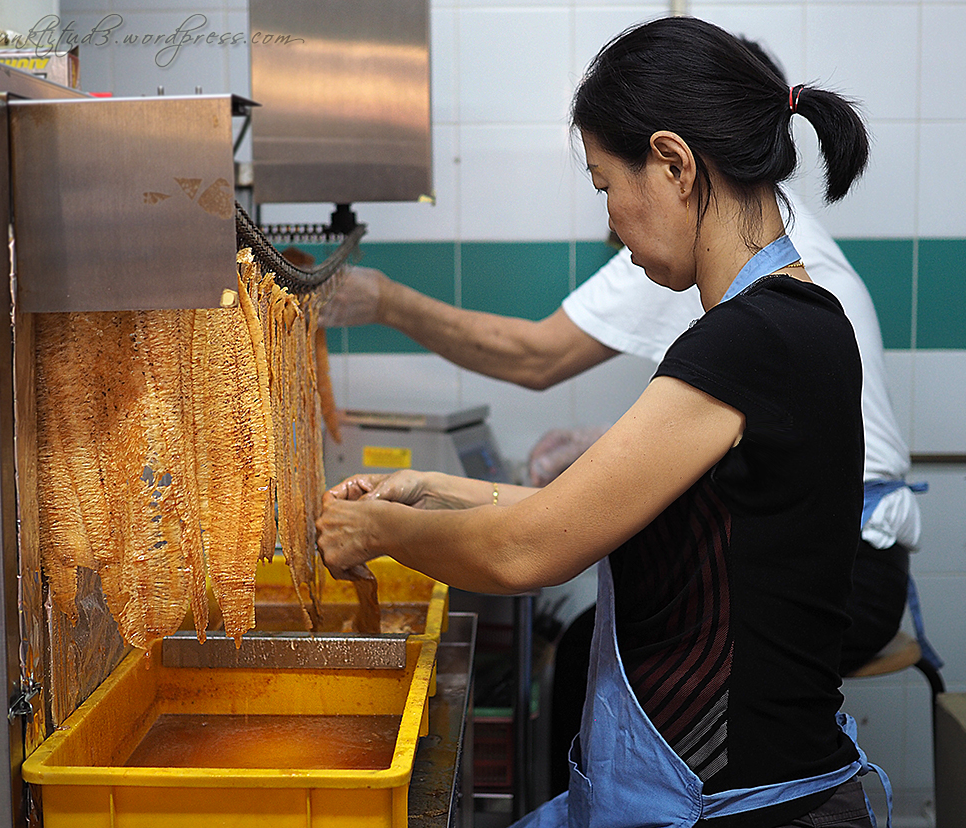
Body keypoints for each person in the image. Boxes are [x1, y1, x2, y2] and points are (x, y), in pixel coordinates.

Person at [318, 15, 890, 827]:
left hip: (739, 808)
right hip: (764, 791)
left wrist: (377, 531)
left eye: (605, 187)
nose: (614, 224)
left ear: (673, 164)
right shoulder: (801, 319)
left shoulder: (749, 339)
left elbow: (528, 550)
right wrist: (425, 486)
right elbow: (583, 514)